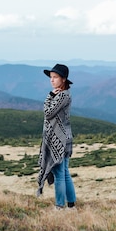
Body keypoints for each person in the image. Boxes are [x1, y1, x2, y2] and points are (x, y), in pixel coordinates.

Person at [36, 63, 76, 210]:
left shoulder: (62, 96)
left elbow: (48, 112)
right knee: (64, 172)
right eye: (51, 77)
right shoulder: (64, 95)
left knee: (59, 173)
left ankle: (60, 206)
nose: (52, 80)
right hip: (64, 138)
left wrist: (50, 95)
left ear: (63, 79)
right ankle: (71, 205)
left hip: (58, 139)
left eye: (55, 77)